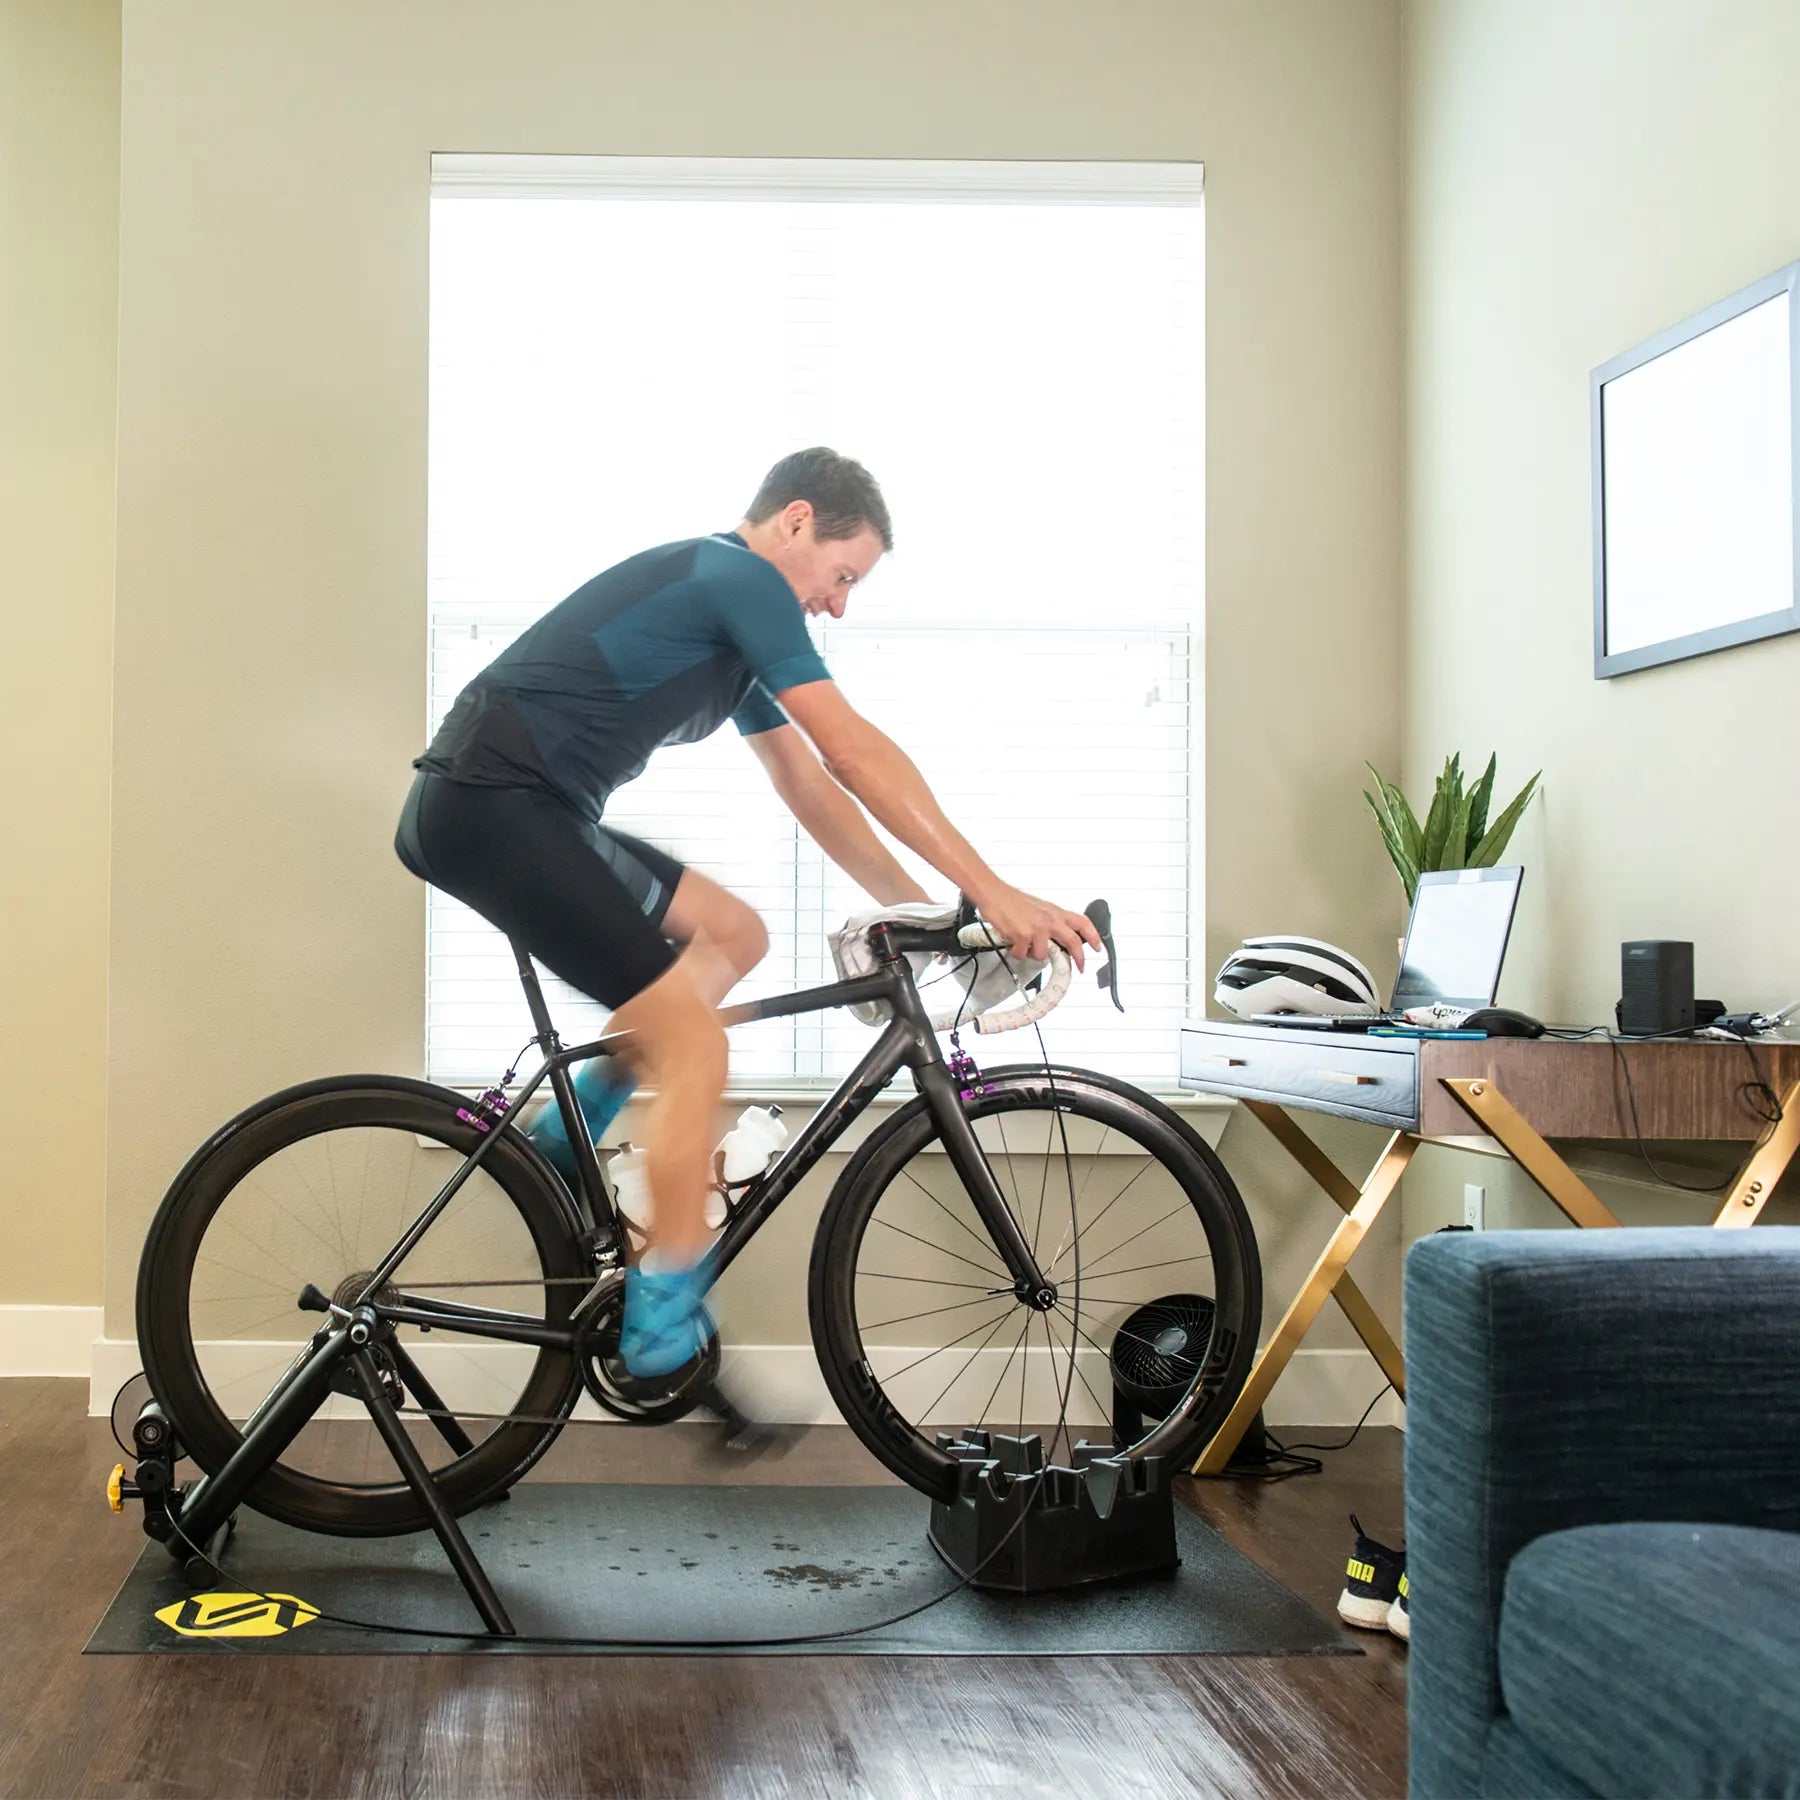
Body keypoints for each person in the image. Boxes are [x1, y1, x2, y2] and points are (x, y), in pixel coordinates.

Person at [395, 448, 1100, 1379]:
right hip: (492, 804)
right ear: (796, 521)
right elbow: (850, 751)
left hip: (526, 808)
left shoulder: (731, 626)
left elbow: (810, 785)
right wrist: (998, 893)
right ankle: (660, 1311)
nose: (838, 605)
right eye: (843, 576)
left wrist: (927, 910)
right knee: (694, 1046)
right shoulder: (737, 577)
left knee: (736, 934)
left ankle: (567, 1133)